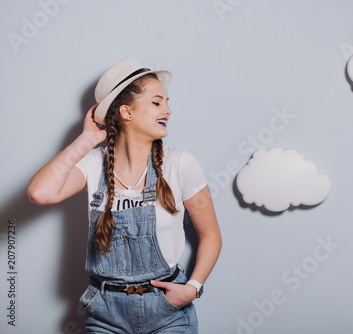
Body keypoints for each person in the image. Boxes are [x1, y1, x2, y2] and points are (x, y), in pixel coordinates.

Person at [27, 58, 222, 333]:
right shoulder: (94, 164)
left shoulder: (180, 163)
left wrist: (193, 288)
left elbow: (211, 235)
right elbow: (40, 192)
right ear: (126, 112)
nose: (167, 110)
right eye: (157, 102)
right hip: (105, 312)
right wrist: (86, 139)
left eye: (167, 102)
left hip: (167, 310)